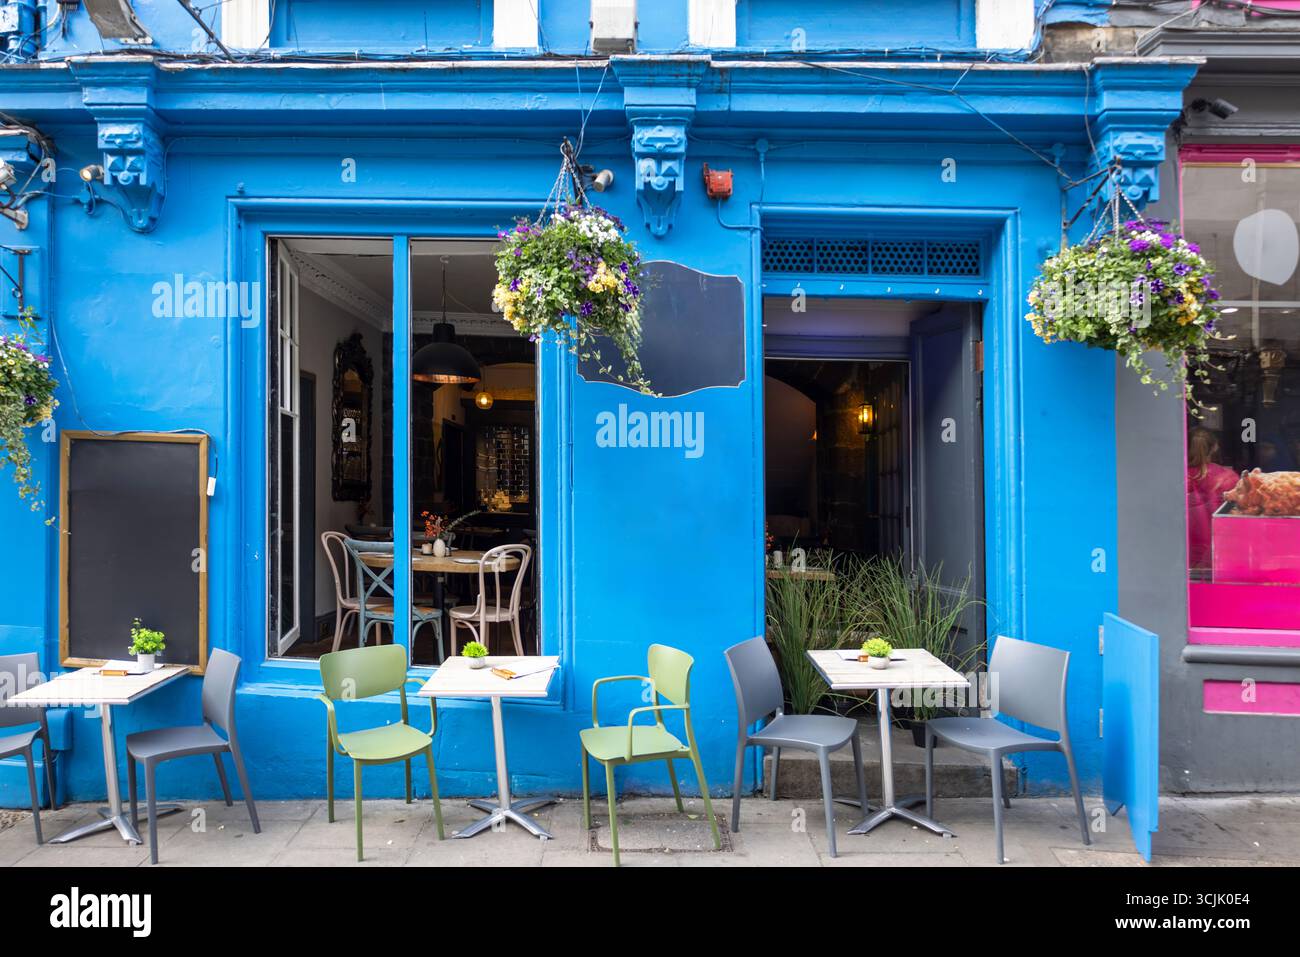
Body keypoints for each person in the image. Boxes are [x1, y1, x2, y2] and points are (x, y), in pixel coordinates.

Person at [1186, 428, 1239, 571]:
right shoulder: (1228, 478)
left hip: (1181, 554)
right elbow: (1235, 522)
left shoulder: (1177, 477)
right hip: (1217, 552)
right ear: (1215, 447)